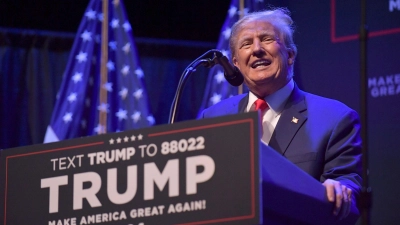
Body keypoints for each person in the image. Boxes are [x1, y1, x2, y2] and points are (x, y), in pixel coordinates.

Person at [199, 8, 362, 222]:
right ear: (236, 63)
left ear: (290, 55)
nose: (256, 49)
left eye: (267, 39)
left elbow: (347, 183)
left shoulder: (335, 118)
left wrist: (340, 189)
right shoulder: (212, 119)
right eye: (246, 44)